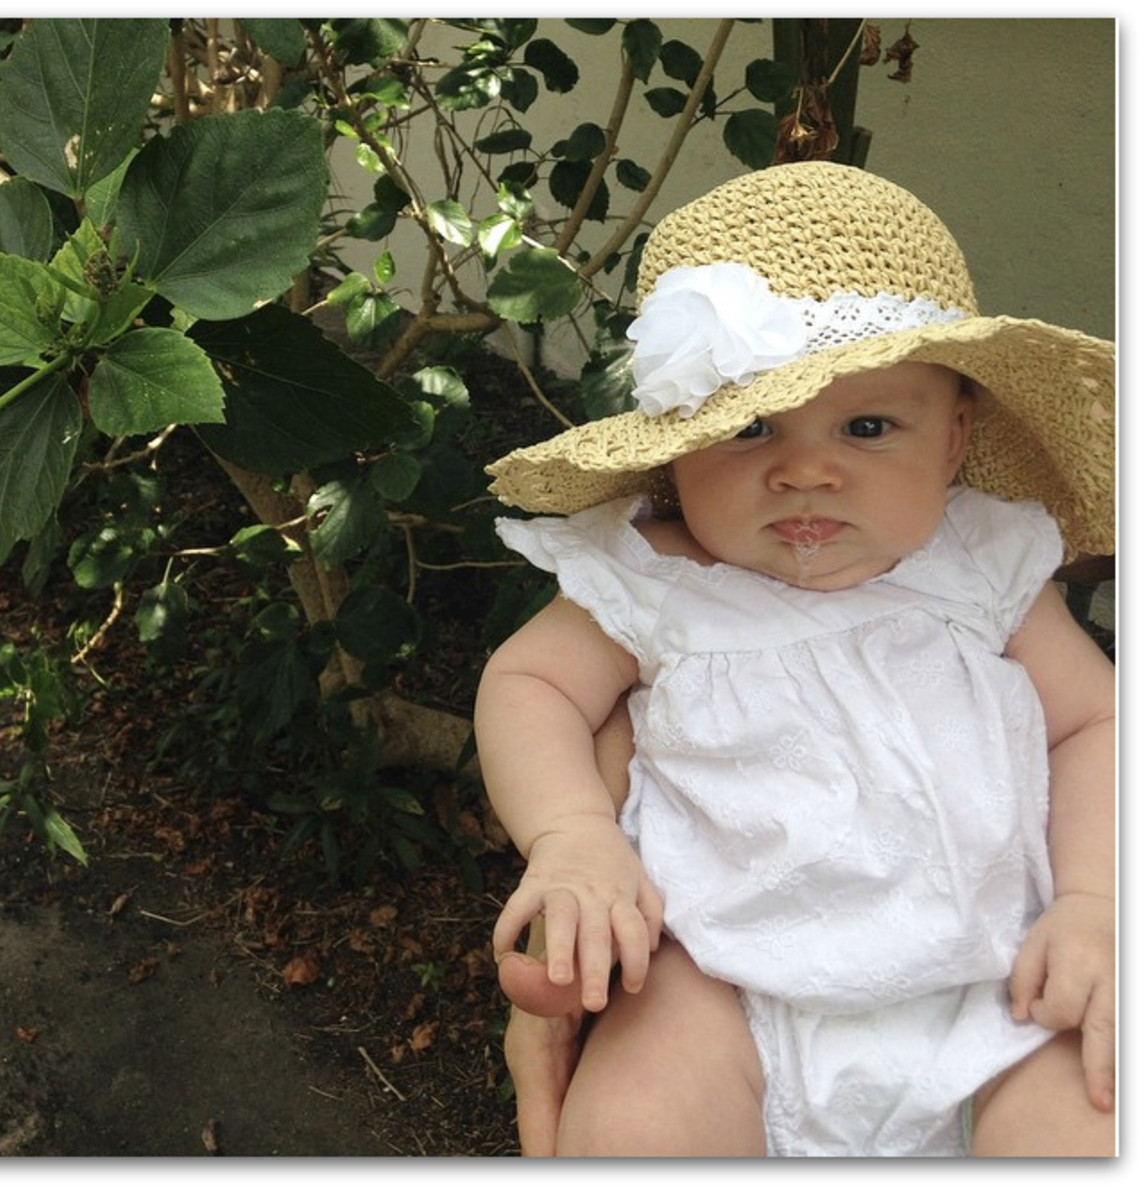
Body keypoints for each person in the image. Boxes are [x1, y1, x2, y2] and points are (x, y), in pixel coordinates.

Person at [473, 162, 1116, 1157]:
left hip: (1001, 981)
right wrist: (570, 834)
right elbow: (530, 683)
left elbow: (1099, 720)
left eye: (867, 427)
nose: (806, 468)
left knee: (1095, 1105)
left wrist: (1097, 900)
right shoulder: (656, 577)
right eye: (749, 427)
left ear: (953, 442)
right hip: (720, 986)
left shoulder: (982, 563)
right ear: (673, 454)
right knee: (631, 1128)